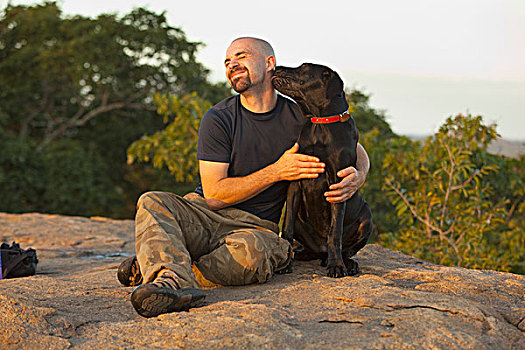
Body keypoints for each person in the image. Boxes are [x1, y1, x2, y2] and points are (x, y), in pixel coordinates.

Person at [127, 37, 370, 318]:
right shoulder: (218, 117)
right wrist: (277, 171)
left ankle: (164, 258)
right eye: (227, 62)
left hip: (254, 229)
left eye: (241, 56)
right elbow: (215, 195)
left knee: (252, 257)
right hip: (204, 212)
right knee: (152, 202)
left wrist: (359, 175)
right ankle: (169, 283)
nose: (232, 65)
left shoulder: (299, 116)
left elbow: (353, 144)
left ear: (269, 63)